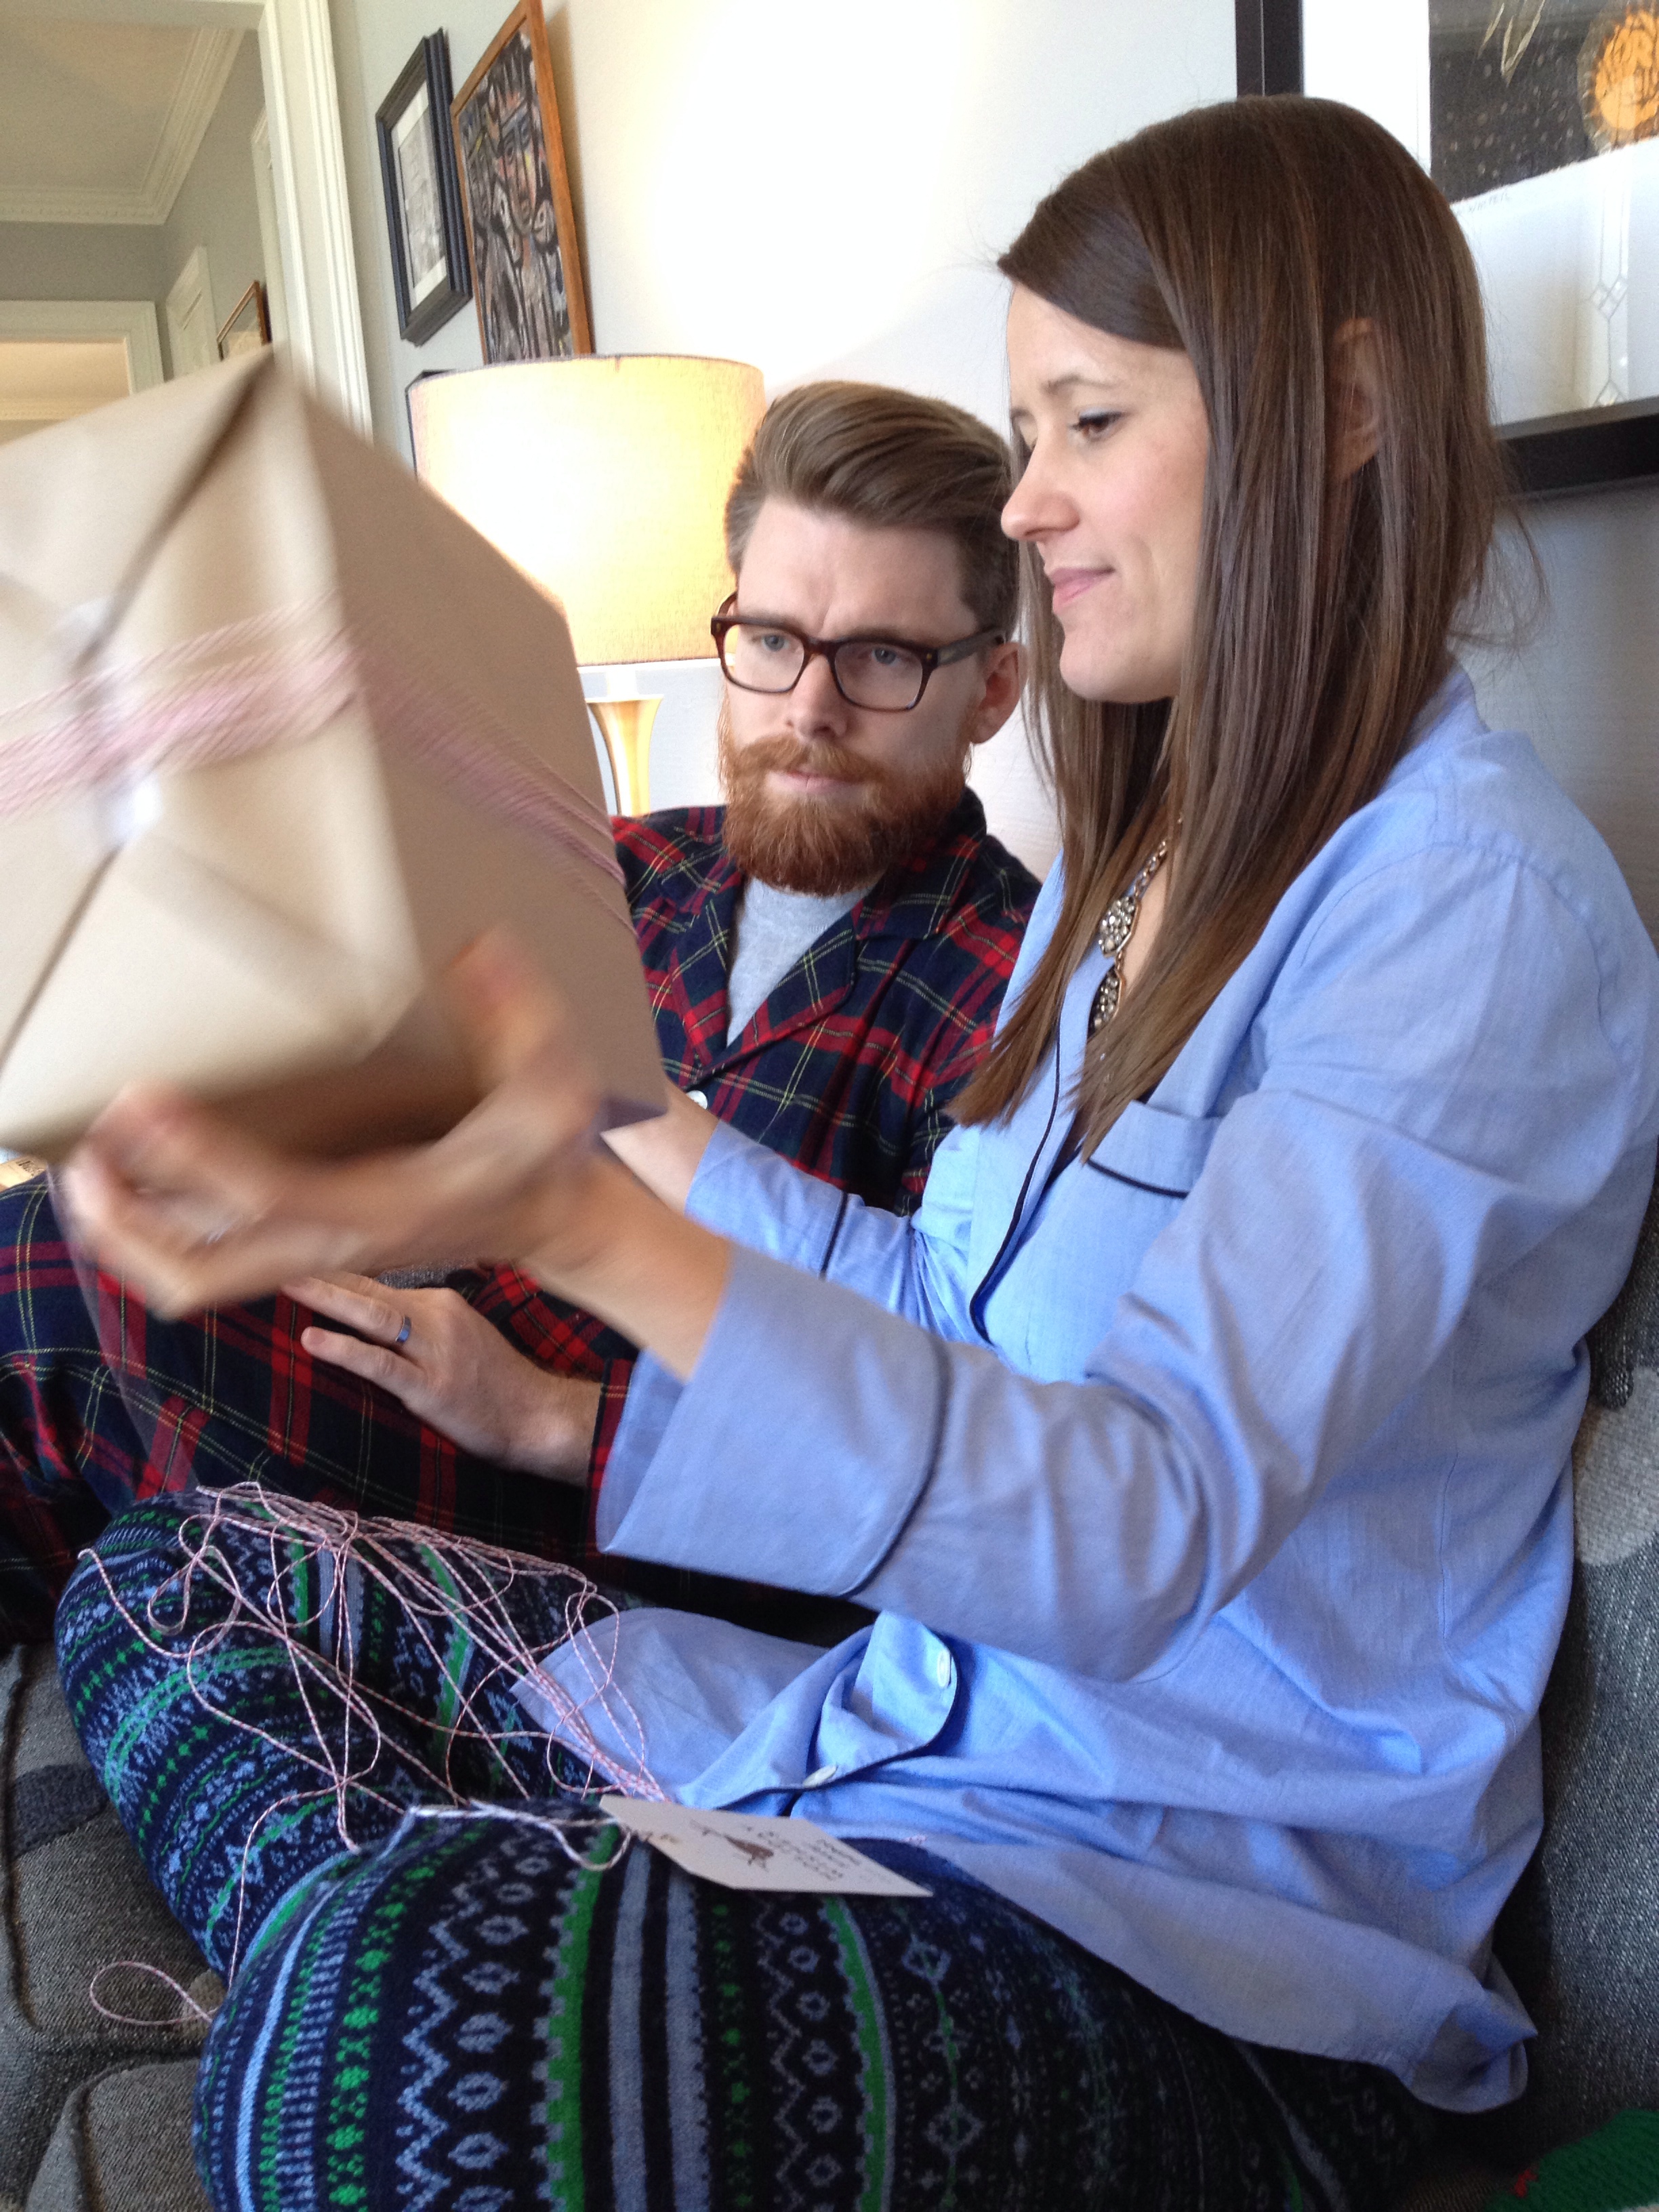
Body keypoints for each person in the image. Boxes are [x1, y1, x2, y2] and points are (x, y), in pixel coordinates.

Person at [55, 95, 1659, 2212]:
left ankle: (394, 1954)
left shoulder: (1468, 914)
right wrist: (618, 1113)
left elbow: (1147, 1521)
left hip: (1191, 1928)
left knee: (383, 2063)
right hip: (877, 1739)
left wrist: (572, 1225)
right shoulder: (1138, 876)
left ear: (1343, 410)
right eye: (1026, 429)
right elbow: (941, 1306)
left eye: (1088, 423)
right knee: (172, 1580)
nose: (1031, 498)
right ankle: (412, 1939)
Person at [0, 380, 1035, 1644]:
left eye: (881, 657)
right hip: (424, 1337)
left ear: (992, 689)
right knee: (62, 1236)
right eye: (771, 641)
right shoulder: (621, 863)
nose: (807, 709)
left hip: (633, 1504)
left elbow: (960, 1454)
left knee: (78, 1293)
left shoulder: (1017, 991)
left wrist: (549, 1416)